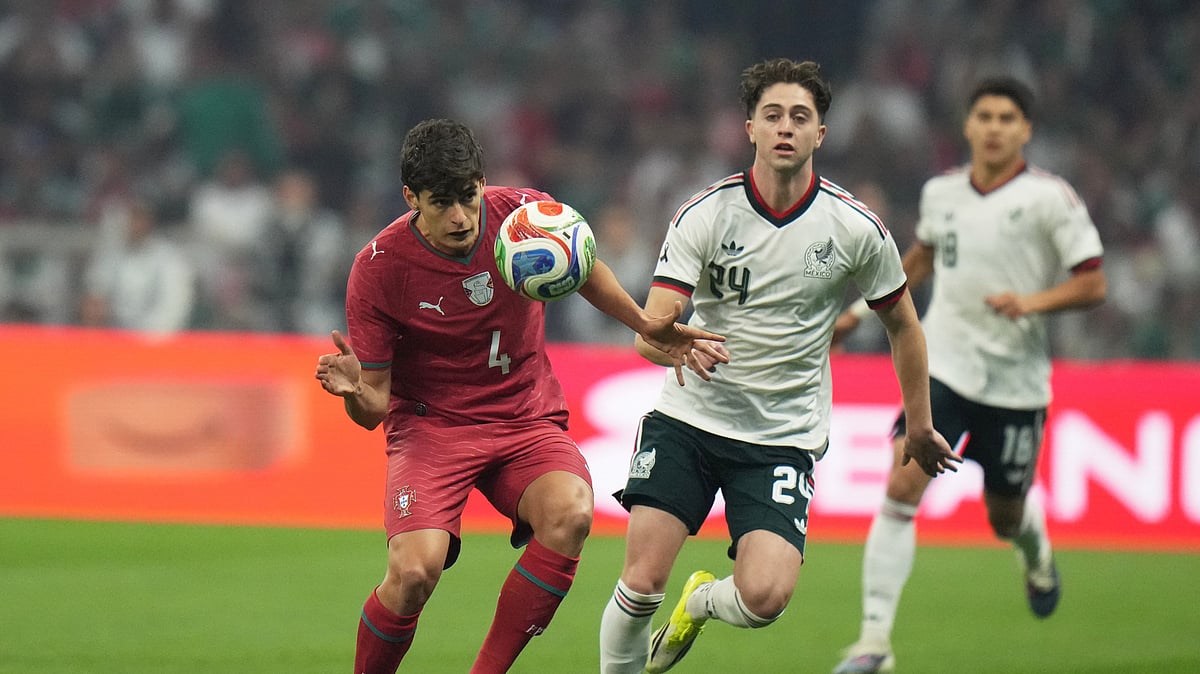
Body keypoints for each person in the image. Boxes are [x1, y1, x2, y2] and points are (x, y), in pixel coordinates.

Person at [313, 118, 726, 674]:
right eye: (441, 203)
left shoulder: (524, 217)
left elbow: (584, 268)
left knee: (571, 513)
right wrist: (352, 392)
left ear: (482, 182)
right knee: (413, 573)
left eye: (468, 196)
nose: (460, 217)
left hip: (523, 418)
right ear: (411, 198)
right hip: (432, 428)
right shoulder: (379, 269)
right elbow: (374, 408)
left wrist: (643, 322)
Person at [597, 58, 961, 674]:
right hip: (689, 420)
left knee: (764, 598)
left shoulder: (856, 229)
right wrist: (674, 344)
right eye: (772, 116)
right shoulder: (705, 214)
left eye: (799, 116)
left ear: (821, 133)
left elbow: (904, 326)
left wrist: (920, 425)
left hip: (780, 437)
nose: (785, 127)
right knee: (641, 580)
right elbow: (649, 332)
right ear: (750, 129)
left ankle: (700, 603)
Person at [831, 76, 1107, 674]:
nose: (994, 128)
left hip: (1016, 385)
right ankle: (874, 643)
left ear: (1025, 130)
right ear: (968, 126)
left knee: (1004, 516)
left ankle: (1035, 551)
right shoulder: (942, 193)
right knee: (902, 486)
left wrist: (1031, 303)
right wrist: (856, 313)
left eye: (1007, 118)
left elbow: (1093, 282)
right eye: (985, 116)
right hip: (944, 368)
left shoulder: (1051, 199)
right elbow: (920, 260)